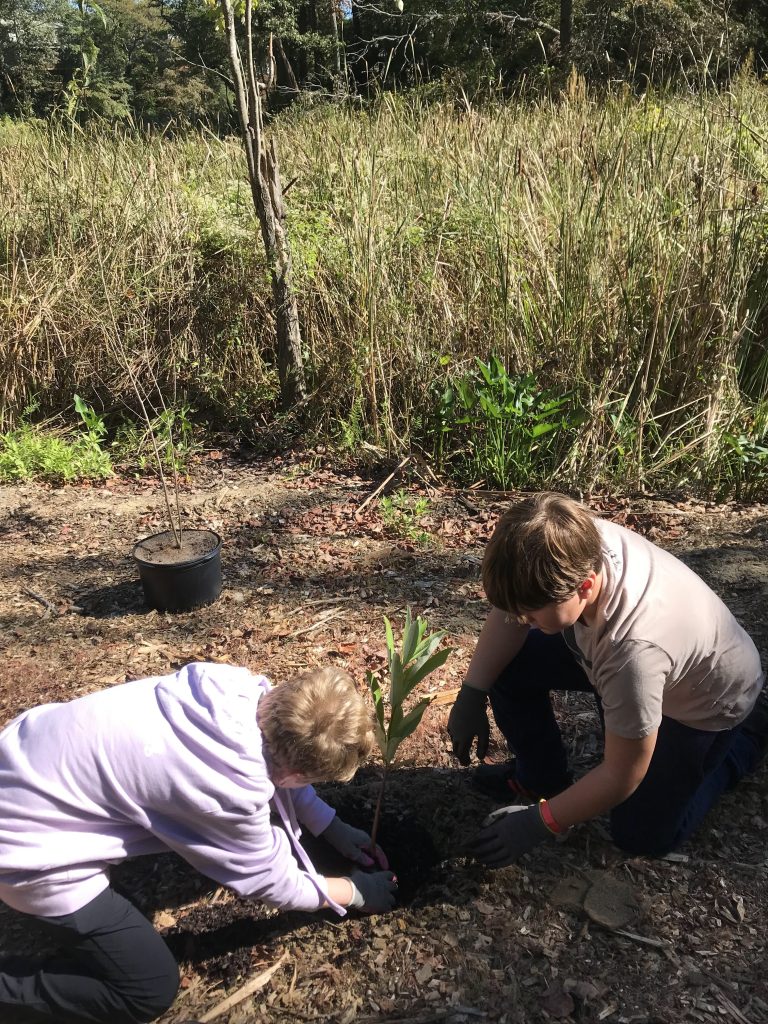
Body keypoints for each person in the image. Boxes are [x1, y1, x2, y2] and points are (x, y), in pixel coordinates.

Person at [0, 662, 396, 1024]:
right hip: (27, 849)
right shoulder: (226, 787)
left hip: (22, 758)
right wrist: (355, 892)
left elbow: (283, 768)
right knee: (147, 989)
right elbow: (269, 881)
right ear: (294, 774)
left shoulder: (233, 688)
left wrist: (331, 826)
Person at [447, 492, 768, 867]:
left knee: (641, 834)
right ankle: (541, 777)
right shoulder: (565, 544)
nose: (520, 621)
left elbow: (622, 772)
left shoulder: (633, 648)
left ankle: (747, 735)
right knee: (508, 662)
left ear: (585, 586)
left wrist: (540, 823)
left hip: (706, 700)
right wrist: (472, 692)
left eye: (531, 614)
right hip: (633, 667)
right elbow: (512, 610)